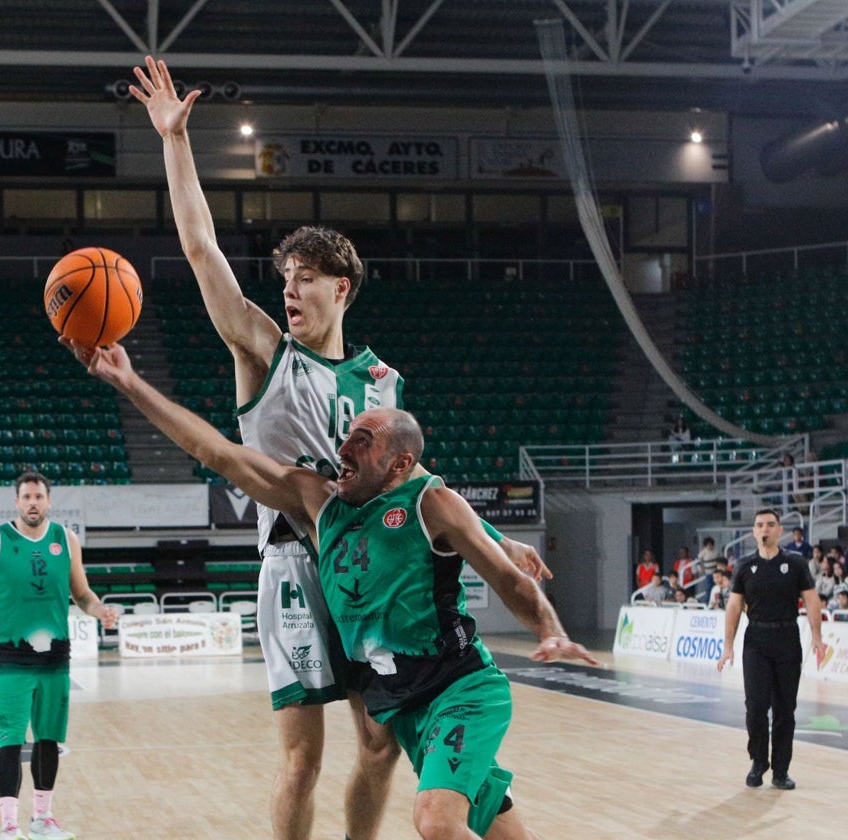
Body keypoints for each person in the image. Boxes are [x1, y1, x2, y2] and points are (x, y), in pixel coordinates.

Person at [128, 54, 551, 840]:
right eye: (285, 277)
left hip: (368, 567)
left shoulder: (382, 380)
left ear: (341, 289)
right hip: (295, 557)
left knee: (382, 744)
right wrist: (174, 143)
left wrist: (497, 537)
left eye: (306, 279)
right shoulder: (263, 351)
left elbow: (417, 480)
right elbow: (201, 253)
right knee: (302, 758)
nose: (289, 289)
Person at [68, 338, 598, 839]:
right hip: (405, 704)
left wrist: (549, 628)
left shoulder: (430, 503)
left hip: (459, 689)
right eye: (347, 436)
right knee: (490, 820)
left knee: (435, 820)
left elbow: (507, 578)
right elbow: (220, 454)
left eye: (362, 441)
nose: (343, 448)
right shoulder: (319, 502)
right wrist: (130, 383)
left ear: (400, 464)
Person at [0, 471, 118, 840]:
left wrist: (99, 610)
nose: (33, 503)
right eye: (26, 497)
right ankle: (8, 824)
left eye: (39, 496)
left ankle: (43, 818)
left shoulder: (65, 540)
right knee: (10, 742)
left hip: (56, 660)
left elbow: (82, 594)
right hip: (10, 660)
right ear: (17, 502)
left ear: (49, 501)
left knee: (49, 740)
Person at [717, 508, 825, 792]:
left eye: (770, 525)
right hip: (756, 640)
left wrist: (817, 636)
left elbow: (812, 600)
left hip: (788, 637)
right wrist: (728, 645)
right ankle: (758, 761)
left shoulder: (796, 563)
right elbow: (734, 606)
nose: (765, 529)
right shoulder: (743, 566)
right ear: (754, 531)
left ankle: (781, 770)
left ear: (780, 531)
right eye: (759, 525)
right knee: (755, 707)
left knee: (785, 709)